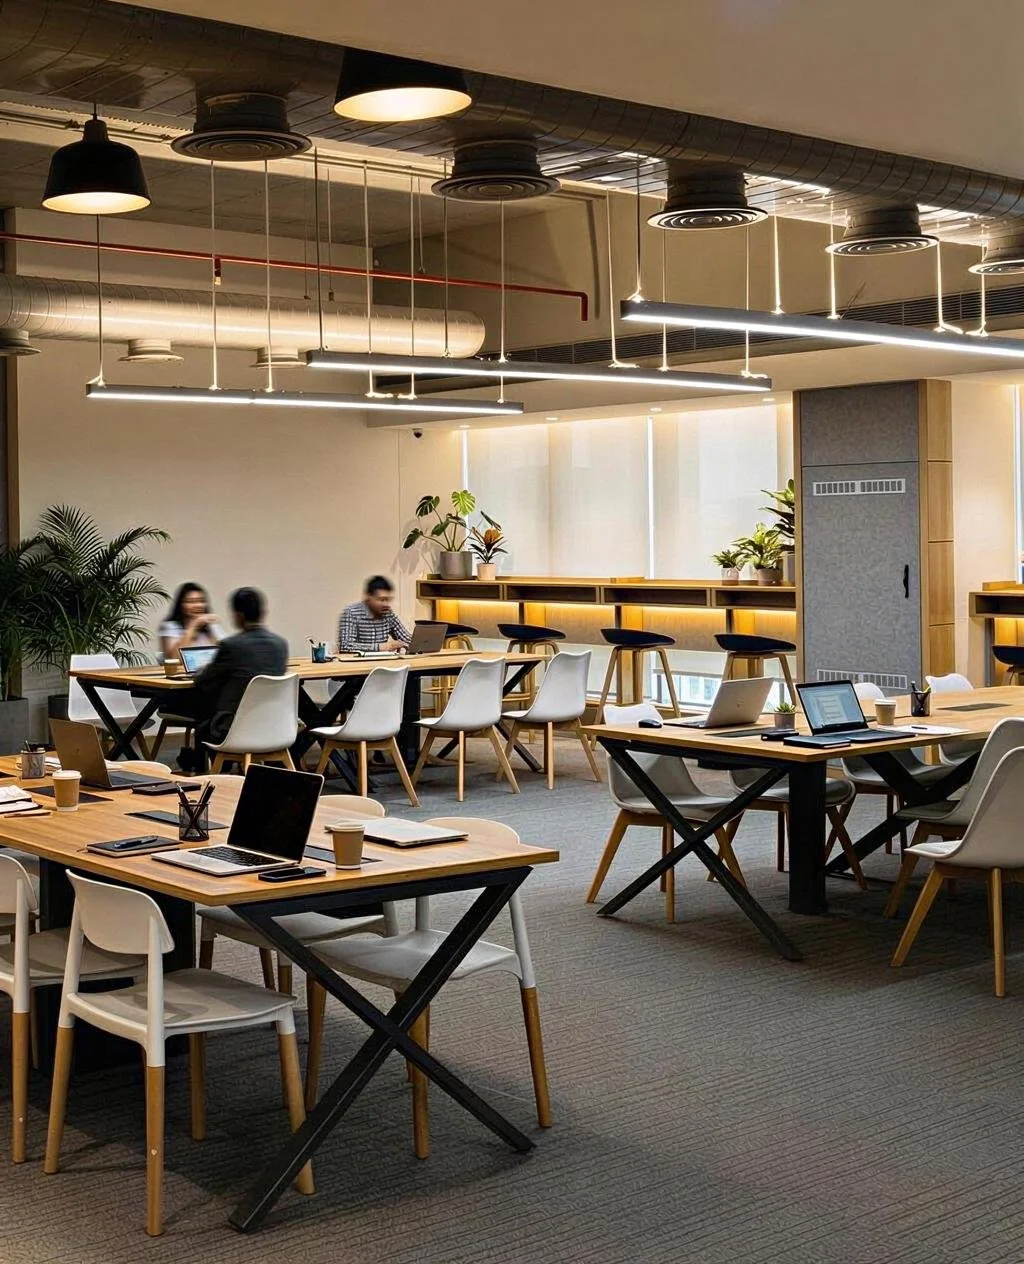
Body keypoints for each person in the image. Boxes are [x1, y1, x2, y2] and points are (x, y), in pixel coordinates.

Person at [175, 587, 289, 771]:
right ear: (263, 612)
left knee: (202, 710)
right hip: (275, 727)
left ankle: (211, 766)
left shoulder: (232, 645)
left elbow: (204, 682)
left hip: (232, 729)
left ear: (238, 616)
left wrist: (203, 670)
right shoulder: (280, 644)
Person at [338, 575, 410, 653]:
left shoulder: (387, 613)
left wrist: (420, 641)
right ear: (369, 597)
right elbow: (345, 646)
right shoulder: (351, 612)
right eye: (381, 599)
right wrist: (380, 647)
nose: (385, 604)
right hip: (359, 664)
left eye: (388, 599)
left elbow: (406, 638)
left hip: (383, 664)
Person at [158, 582, 223, 660]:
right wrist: (194, 626)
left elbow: (226, 653)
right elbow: (174, 658)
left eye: (201, 601)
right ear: (181, 605)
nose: (198, 605)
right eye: (191, 601)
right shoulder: (170, 626)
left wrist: (211, 631)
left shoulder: (211, 626)